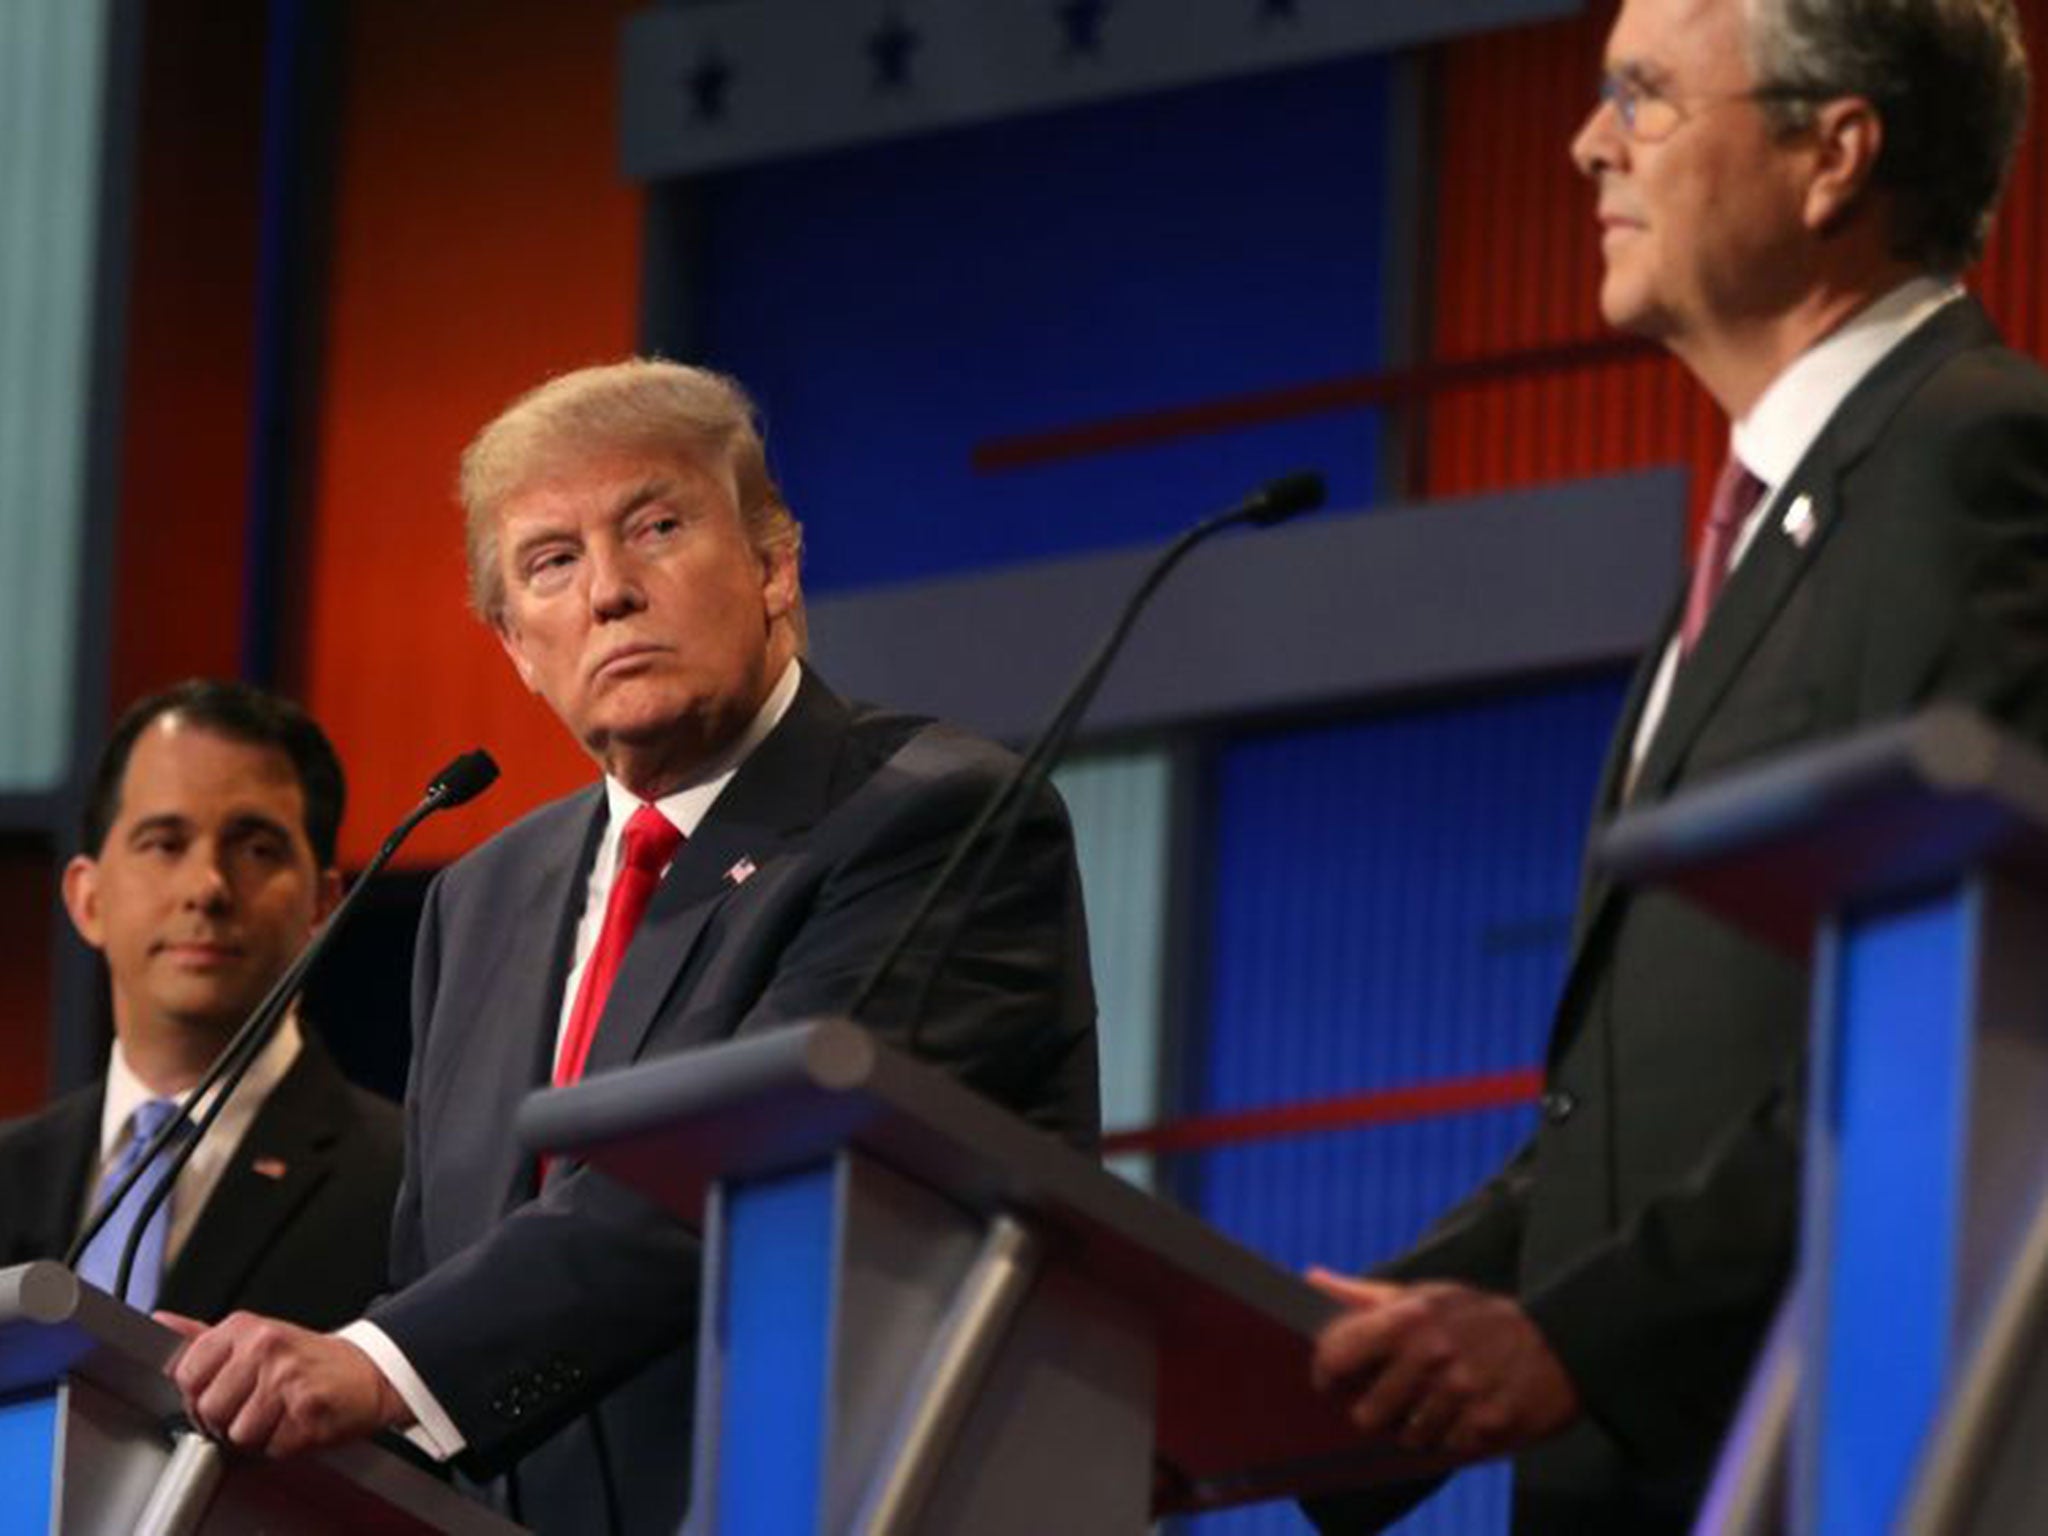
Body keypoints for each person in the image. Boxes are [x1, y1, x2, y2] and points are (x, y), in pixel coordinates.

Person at [1306, 1, 2048, 1531]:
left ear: (1832, 154)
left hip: (1846, 1462)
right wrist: (1343, 1356)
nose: (1587, 145)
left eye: (1640, 98)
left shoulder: (1972, 465)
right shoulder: (1769, 525)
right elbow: (1655, 1100)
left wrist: (1578, 1345)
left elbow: (1974, 1017)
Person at [164, 359, 1099, 1533]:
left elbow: (744, 1172)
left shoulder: (935, 815)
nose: (609, 591)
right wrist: (260, 1394)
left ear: (772, 567)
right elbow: (437, 1272)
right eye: (551, 563)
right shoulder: (482, 900)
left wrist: (379, 1363)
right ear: (515, 643)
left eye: (655, 527)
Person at [0, 680, 401, 1330]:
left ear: (324, 908)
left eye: (256, 849)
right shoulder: (11, 1171)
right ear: (87, 897)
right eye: (164, 843)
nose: (207, 887)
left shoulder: (408, 1181)